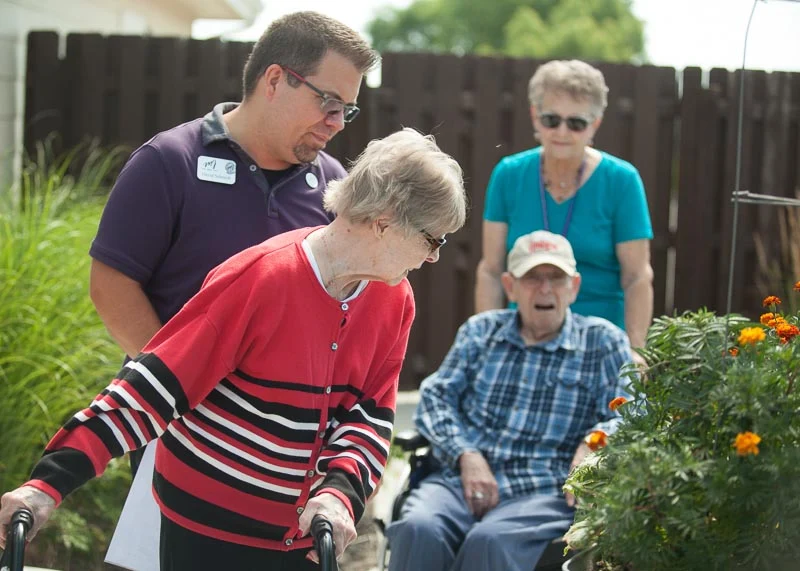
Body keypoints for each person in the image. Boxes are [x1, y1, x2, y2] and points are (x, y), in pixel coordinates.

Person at [0, 127, 468, 570]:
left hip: (303, 539)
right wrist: (48, 484)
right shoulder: (261, 279)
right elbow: (153, 388)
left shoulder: (394, 300)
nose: (434, 256)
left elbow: (369, 415)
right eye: (433, 239)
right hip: (207, 530)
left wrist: (339, 493)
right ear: (384, 224)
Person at [87, 11, 378, 568]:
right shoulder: (170, 161)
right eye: (328, 102)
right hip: (181, 433)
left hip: (288, 452)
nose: (338, 122)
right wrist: (182, 388)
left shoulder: (335, 188)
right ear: (275, 79)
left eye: (348, 109)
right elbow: (111, 285)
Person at [387, 230, 633, 571]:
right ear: (510, 286)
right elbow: (436, 396)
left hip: (544, 489)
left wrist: (593, 445)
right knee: (418, 528)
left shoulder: (603, 342)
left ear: (574, 287)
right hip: (460, 480)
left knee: (488, 543)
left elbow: (632, 412)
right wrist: (466, 454)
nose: (545, 289)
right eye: (532, 277)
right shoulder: (480, 332)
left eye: (556, 278)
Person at [475, 59, 654, 359]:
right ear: (534, 117)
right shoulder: (509, 175)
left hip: (600, 345)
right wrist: (488, 342)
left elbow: (636, 277)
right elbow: (492, 270)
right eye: (551, 119)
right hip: (524, 341)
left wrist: (635, 352)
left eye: (576, 123)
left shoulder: (621, 181)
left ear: (595, 124)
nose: (562, 131)